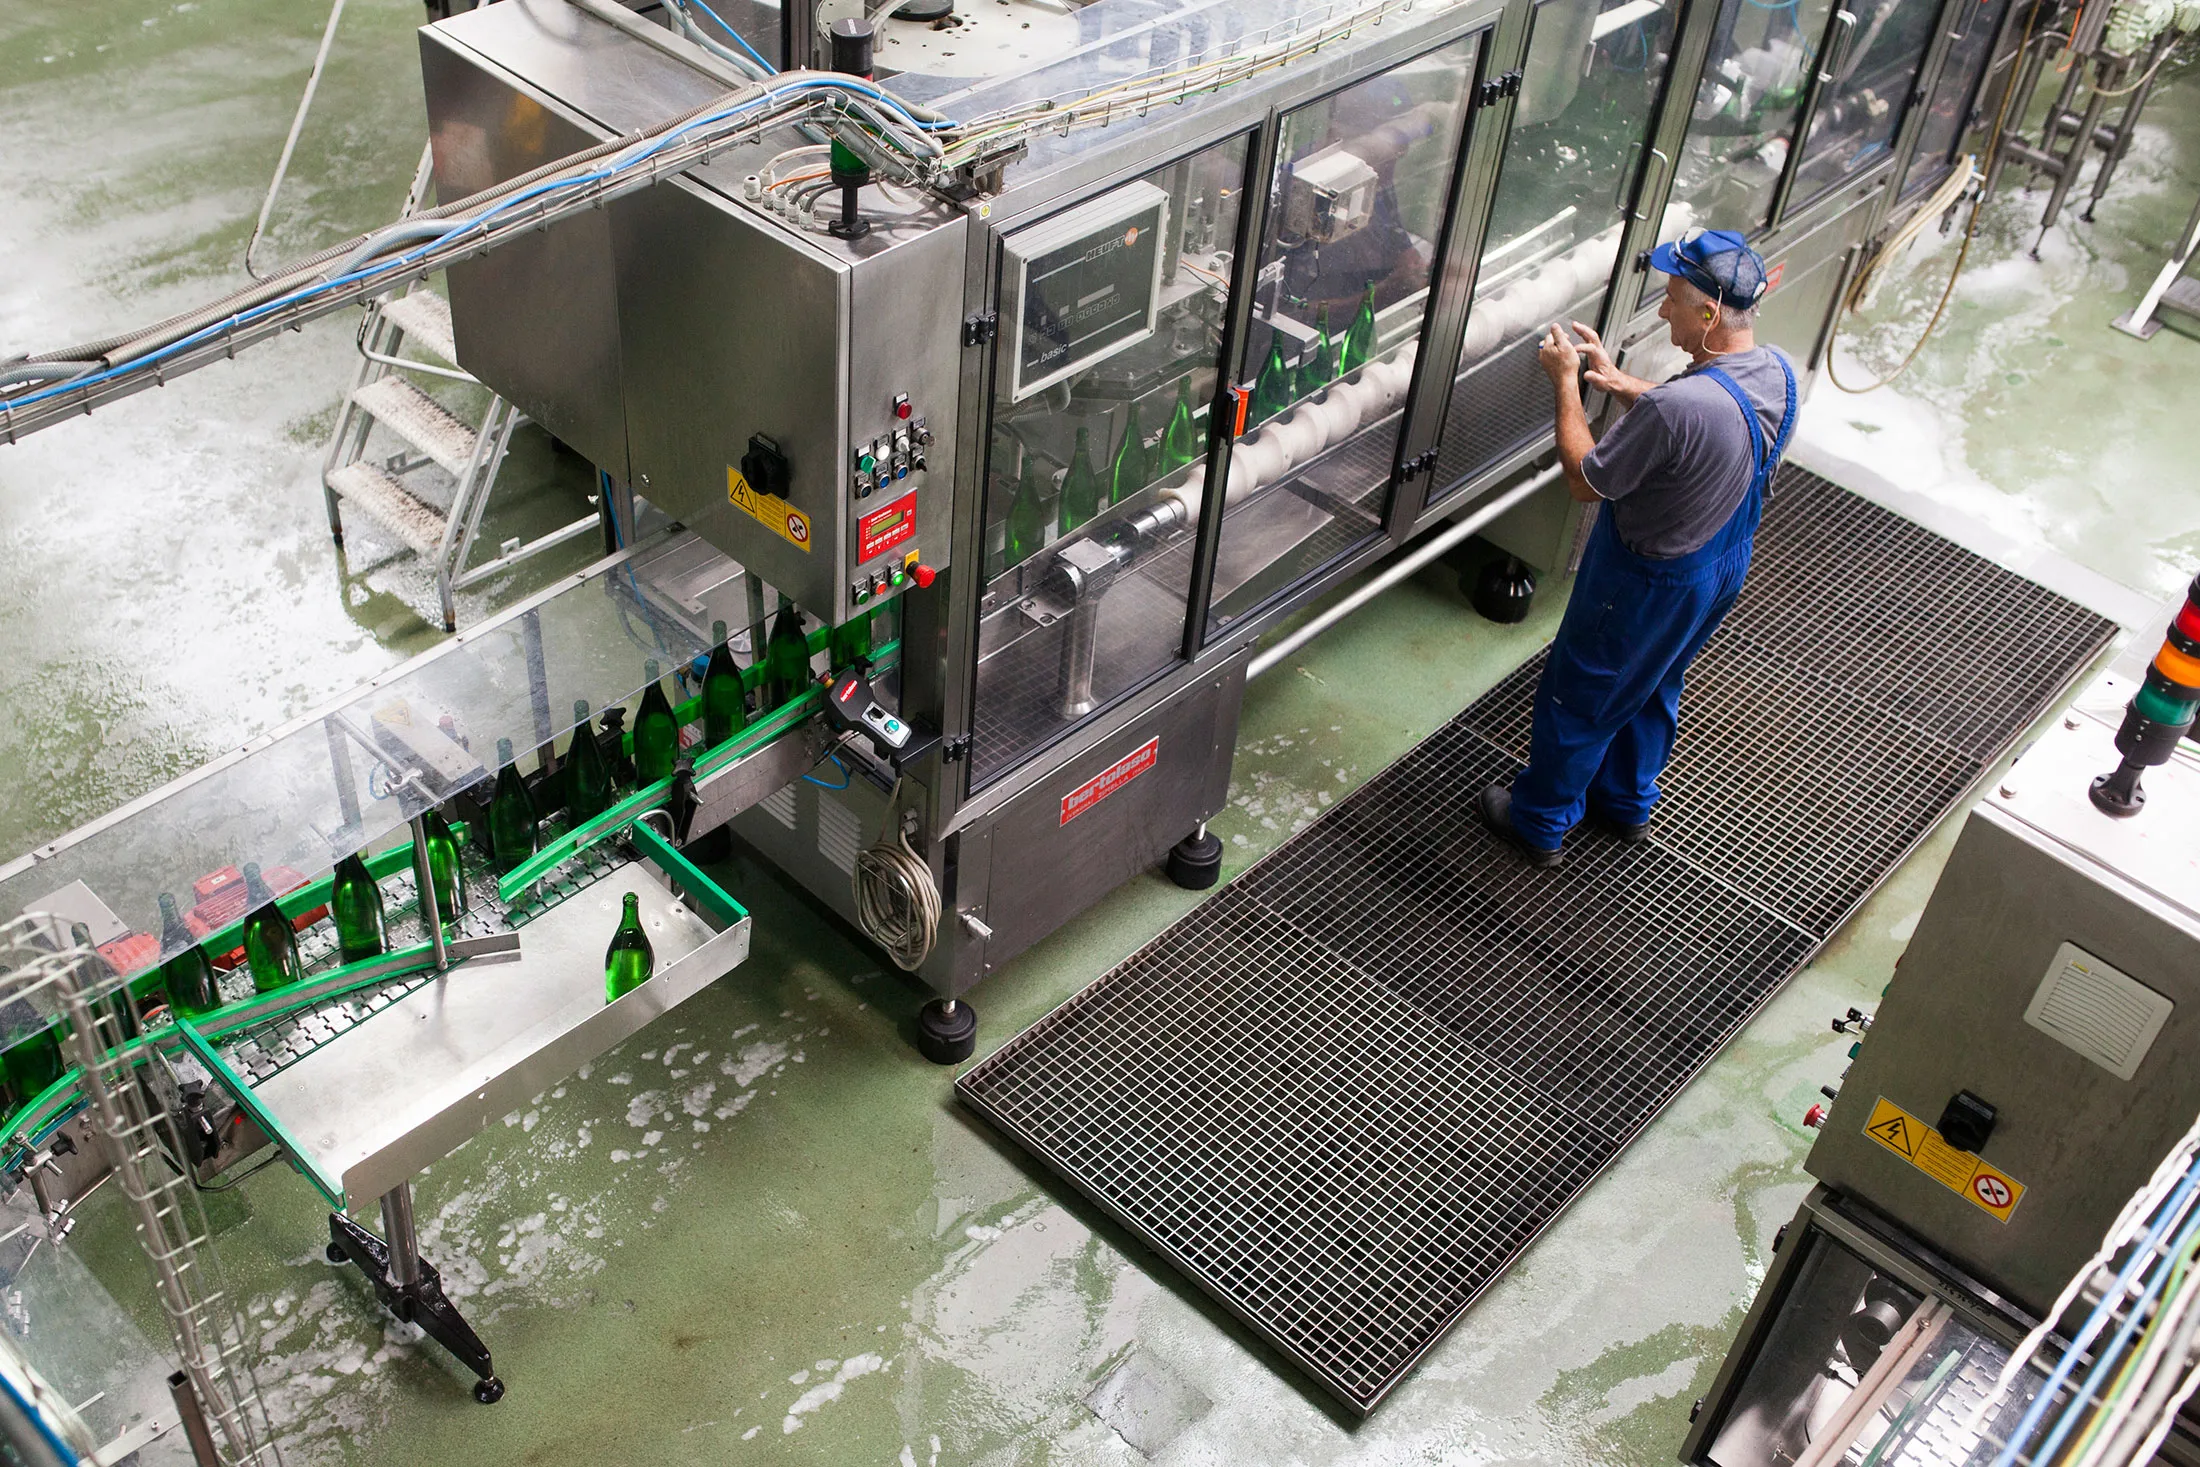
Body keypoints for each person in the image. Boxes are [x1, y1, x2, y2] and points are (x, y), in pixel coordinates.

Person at [1477, 228, 1799, 867]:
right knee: (1654, 682)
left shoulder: (1679, 408)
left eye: (1672, 298)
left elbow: (1584, 479)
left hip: (1644, 583)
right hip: (1719, 563)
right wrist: (1621, 380)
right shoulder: (1776, 371)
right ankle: (1624, 804)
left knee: (1584, 696)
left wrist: (1567, 382)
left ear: (1709, 313)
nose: (1661, 310)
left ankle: (1538, 821)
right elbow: (1704, 417)